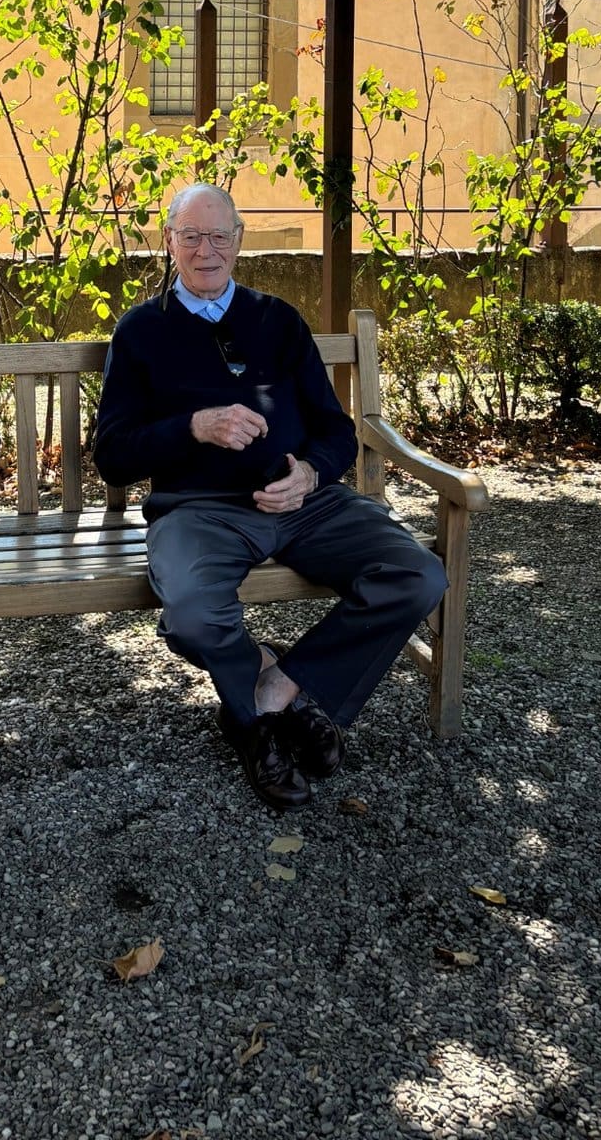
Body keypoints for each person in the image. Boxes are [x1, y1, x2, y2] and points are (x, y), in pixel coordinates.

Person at [93, 182, 446, 811]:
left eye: (219, 236)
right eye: (191, 236)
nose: (207, 250)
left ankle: (272, 696)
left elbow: (336, 430)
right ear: (168, 241)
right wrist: (193, 427)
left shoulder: (276, 319)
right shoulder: (141, 332)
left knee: (417, 576)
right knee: (195, 618)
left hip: (307, 505)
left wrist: (311, 473)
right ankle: (273, 700)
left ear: (239, 241)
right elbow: (113, 457)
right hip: (200, 511)